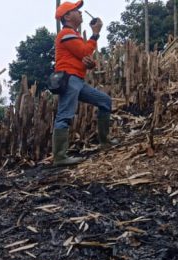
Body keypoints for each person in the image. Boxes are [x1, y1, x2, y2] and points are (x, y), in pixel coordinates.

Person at [52, 0, 118, 166]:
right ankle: (59, 157)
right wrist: (95, 34)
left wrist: (90, 64)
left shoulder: (74, 35)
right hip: (70, 79)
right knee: (64, 115)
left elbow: (83, 57)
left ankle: (105, 142)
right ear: (67, 16)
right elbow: (85, 51)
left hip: (77, 80)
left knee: (105, 101)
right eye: (76, 10)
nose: (80, 12)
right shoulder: (66, 34)